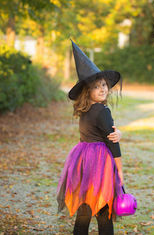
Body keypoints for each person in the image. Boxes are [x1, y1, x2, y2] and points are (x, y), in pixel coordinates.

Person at [57, 40, 124, 235]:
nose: (103, 89)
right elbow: (112, 141)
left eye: (104, 85)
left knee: (84, 208)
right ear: (88, 91)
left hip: (82, 160)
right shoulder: (103, 111)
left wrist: (118, 132)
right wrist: (119, 171)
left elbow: (104, 132)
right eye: (97, 87)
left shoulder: (85, 109)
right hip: (100, 162)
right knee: (104, 209)